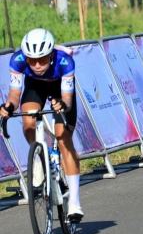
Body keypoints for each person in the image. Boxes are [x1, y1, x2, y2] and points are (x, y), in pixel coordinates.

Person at [0, 29, 83, 221]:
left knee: (63, 139)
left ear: (51, 55)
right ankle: (38, 159)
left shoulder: (65, 61)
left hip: (59, 88)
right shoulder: (18, 60)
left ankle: (74, 202)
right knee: (28, 121)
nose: (37, 65)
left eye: (42, 60)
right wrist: (8, 107)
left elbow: (67, 99)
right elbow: (14, 96)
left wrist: (62, 105)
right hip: (35, 87)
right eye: (31, 60)